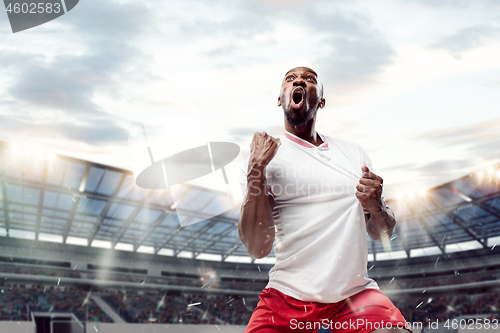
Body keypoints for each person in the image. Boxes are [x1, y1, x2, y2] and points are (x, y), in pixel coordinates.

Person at [238, 67, 411, 333]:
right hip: (287, 296)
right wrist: (256, 169)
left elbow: (382, 232)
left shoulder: (354, 154)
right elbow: (256, 247)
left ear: (321, 100)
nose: (298, 80)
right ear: (279, 98)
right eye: (290, 79)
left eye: (309, 79)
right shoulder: (263, 157)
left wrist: (376, 206)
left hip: (353, 295)